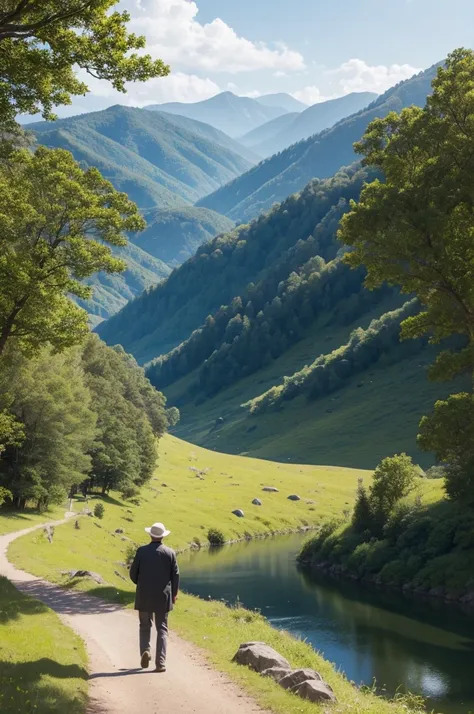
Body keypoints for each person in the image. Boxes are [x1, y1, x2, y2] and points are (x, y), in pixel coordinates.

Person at [129, 522, 179, 673]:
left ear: (150, 535)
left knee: (145, 626)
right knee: (162, 628)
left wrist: (141, 583)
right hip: (163, 596)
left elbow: (133, 574)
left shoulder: (141, 551)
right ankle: (160, 663)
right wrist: (174, 594)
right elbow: (175, 576)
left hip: (144, 595)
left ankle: (146, 650)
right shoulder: (170, 553)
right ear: (162, 537)